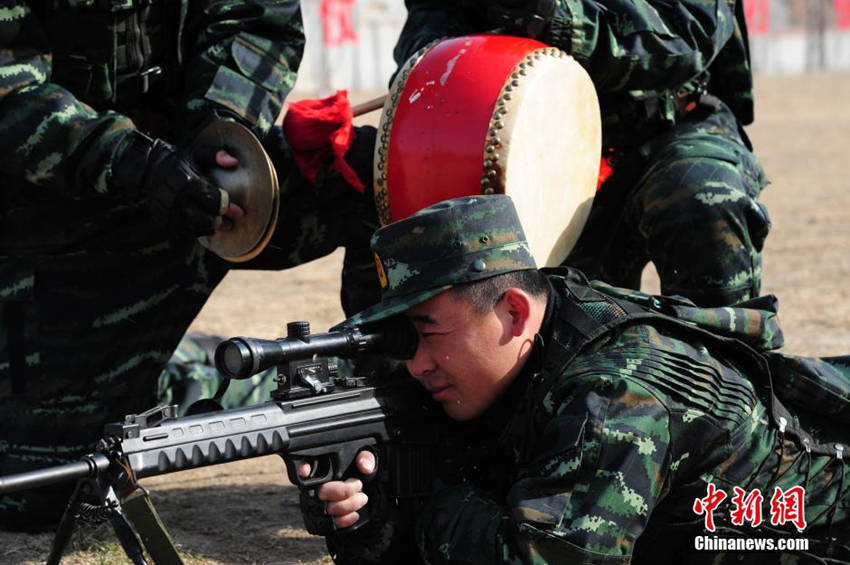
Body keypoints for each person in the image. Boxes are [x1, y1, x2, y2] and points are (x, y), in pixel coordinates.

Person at [298, 195, 849, 564]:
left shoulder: (618, 397)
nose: (415, 364)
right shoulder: (531, 331)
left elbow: (544, 556)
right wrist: (363, 515)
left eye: (428, 333)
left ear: (513, 312)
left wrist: (419, 499)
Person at [0, 0, 380, 529]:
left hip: (200, 172)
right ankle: (192, 374)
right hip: (50, 215)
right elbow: (11, 92)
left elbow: (258, 20)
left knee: (388, 175)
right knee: (48, 494)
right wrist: (133, 163)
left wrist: (224, 126)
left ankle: (394, 425)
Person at [391, 0, 771, 307]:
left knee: (702, 195)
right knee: (394, 191)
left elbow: (685, 37)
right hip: (540, 142)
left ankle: (729, 375)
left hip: (668, 127)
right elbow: (429, 50)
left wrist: (549, 13)